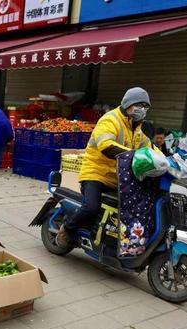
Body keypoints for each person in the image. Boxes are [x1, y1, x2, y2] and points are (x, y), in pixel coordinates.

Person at [57, 87, 153, 248]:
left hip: (118, 177)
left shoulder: (137, 128)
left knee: (132, 207)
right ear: (128, 104)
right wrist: (133, 154)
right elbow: (106, 145)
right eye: (139, 105)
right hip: (96, 173)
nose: (142, 109)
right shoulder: (111, 120)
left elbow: (150, 150)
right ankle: (67, 228)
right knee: (91, 207)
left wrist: (169, 163)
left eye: (145, 106)